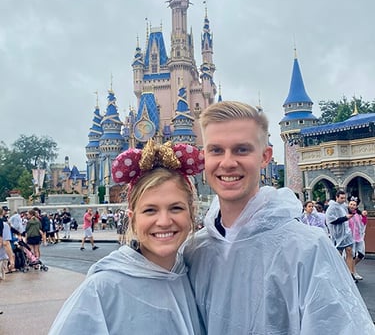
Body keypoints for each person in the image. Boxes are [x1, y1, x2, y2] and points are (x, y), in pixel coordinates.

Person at [184, 101, 374, 334]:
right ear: (204, 158)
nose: (228, 162)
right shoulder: (194, 251)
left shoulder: (308, 248)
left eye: (242, 149)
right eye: (216, 150)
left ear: (265, 157)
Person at [49, 140, 205, 334]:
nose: (164, 221)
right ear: (132, 219)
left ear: (191, 213)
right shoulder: (101, 290)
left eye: (176, 208)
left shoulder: (193, 277)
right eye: (150, 210)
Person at [325, 190, 356, 280]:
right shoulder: (332, 208)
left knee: (349, 251)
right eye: (341, 198)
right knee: (338, 254)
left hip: (346, 232)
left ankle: (350, 273)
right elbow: (331, 220)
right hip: (337, 234)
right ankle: (338, 274)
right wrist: (345, 218)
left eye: (344, 198)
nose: (343, 200)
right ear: (337, 197)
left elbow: (352, 210)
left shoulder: (344, 206)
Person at [348, 198, 368, 281]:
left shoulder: (358, 214)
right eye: (351, 204)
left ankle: (352, 268)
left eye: (354, 205)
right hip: (350, 238)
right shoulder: (346, 214)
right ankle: (352, 272)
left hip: (359, 237)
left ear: (356, 206)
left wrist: (364, 216)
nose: (352, 206)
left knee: (361, 255)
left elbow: (363, 223)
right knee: (352, 255)